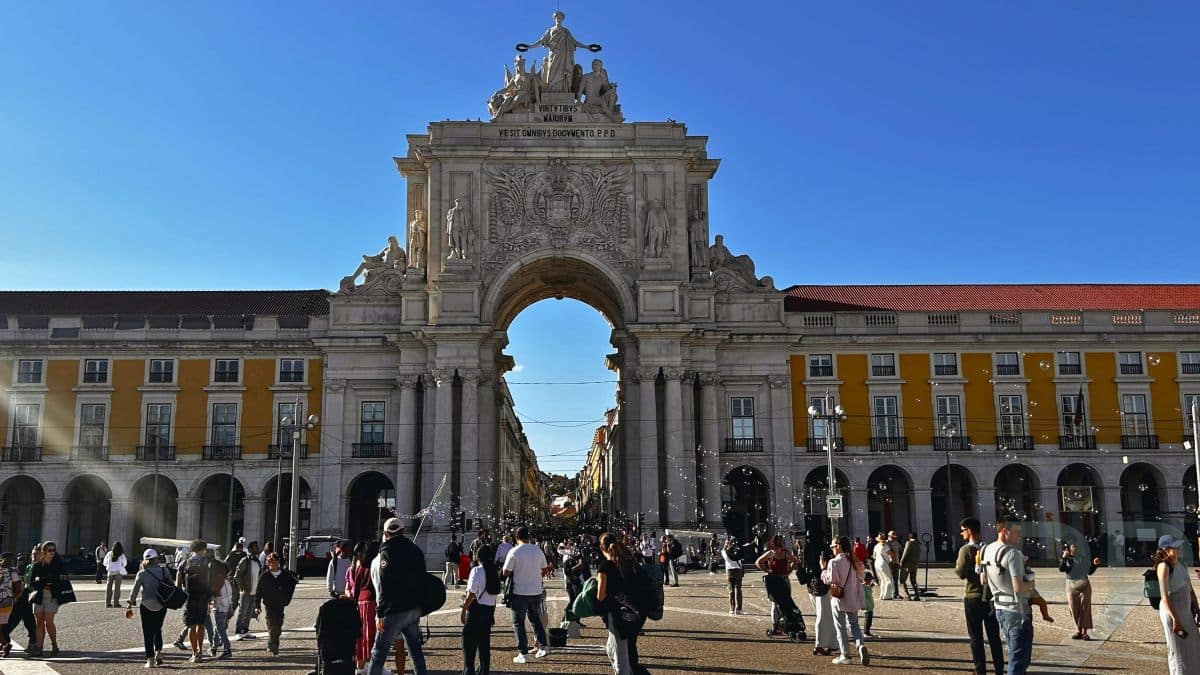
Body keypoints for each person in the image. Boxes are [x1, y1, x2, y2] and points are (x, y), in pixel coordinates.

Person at [368, 517, 428, 675]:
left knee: (379, 654)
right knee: (416, 652)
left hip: (391, 611)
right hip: (412, 609)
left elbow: (383, 587)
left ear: (386, 533)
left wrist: (380, 613)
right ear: (402, 531)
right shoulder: (416, 550)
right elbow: (423, 580)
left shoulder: (382, 556)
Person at [980, 518, 1032, 675]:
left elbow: (983, 580)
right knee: (1019, 660)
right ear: (1004, 531)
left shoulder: (985, 549)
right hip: (1017, 609)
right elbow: (1019, 588)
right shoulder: (1013, 553)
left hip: (999, 607)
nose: (1019, 536)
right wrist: (1031, 579)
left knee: (1015, 654)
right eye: (1016, 532)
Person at [957, 517, 1005, 675]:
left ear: (969, 531)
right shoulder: (990, 548)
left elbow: (961, 573)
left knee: (976, 637)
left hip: (972, 596)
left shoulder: (966, 550)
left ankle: (980, 670)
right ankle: (999, 669)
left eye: (963, 530)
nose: (961, 533)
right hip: (989, 596)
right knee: (994, 636)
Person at [596, 532, 646, 675]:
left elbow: (600, 596)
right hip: (635, 613)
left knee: (620, 660)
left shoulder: (606, 566)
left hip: (618, 614)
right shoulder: (630, 561)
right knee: (612, 648)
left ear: (602, 548)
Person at [503, 526, 552, 664]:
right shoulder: (537, 550)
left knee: (518, 622)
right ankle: (543, 646)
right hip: (536, 590)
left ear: (516, 538)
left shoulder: (514, 551)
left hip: (520, 591)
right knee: (535, 619)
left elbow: (506, 572)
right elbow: (545, 568)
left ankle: (523, 652)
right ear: (528, 537)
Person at [1155, 535, 1200, 674]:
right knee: (1178, 651)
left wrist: (1197, 610)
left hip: (1186, 612)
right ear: (1165, 549)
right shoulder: (1163, 566)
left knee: (1193, 647)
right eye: (1175, 546)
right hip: (1172, 612)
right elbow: (1164, 597)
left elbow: (1190, 589)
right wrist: (1175, 619)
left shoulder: (1181, 563)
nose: (1179, 548)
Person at [822, 536, 869, 666]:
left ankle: (845, 654)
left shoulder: (834, 562)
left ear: (838, 546)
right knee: (854, 624)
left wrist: (823, 570)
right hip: (853, 597)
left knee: (840, 627)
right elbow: (861, 577)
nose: (831, 549)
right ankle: (860, 645)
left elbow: (831, 580)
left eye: (832, 546)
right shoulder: (854, 560)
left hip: (839, 598)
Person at [126, 549, 172, 668]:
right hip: (162, 604)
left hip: (146, 604)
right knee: (158, 629)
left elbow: (135, 591)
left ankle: (150, 659)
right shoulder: (164, 570)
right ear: (156, 559)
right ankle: (159, 652)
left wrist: (130, 605)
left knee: (148, 633)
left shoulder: (142, 573)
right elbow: (171, 585)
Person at [461, 543, 501, 675]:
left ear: (478, 556)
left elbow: (471, 594)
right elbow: (493, 596)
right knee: (484, 643)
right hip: (488, 610)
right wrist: (493, 614)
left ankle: (469, 670)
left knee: (469, 642)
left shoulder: (477, 571)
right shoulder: (493, 572)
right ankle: (484, 670)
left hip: (476, 610)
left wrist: (463, 609)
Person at [175, 540, 215, 663]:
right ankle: (201, 650)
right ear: (203, 549)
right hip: (203, 598)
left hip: (190, 598)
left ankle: (194, 653)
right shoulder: (207, 562)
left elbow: (178, 583)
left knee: (191, 626)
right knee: (201, 625)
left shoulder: (185, 563)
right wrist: (211, 597)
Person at [255, 552, 299, 657]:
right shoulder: (265, 576)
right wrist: (257, 605)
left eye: (274, 562)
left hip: (280, 604)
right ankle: (273, 645)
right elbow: (258, 591)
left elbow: (292, 583)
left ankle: (274, 643)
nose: (272, 564)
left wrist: (294, 581)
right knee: (271, 623)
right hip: (269, 604)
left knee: (278, 624)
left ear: (278, 563)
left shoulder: (285, 575)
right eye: (270, 562)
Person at [756, 535, 798, 635]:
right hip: (775, 580)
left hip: (783, 579)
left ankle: (784, 625)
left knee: (785, 603)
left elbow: (795, 561)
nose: (783, 543)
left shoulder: (784, 553)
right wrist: (767, 570)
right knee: (776, 604)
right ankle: (776, 625)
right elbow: (758, 562)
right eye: (782, 542)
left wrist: (790, 570)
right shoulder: (772, 553)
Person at [345, 541, 378, 672]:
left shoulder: (360, 567)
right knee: (372, 636)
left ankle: (360, 666)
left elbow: (355, 589)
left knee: (361, 636)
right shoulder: (375, 567)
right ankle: (372, 666)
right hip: (372, 603)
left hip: (360, 603)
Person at [29, 540, 65, 657]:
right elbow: (32, 582)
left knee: (49, 622)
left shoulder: (58, 565)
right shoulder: (37, 566)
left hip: (51, 597)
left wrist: (52, 586)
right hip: (39, 595)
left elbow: (62, 581)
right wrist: (42, 584)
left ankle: (54, 644)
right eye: (50, 550)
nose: (52, 552)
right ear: (44, 552)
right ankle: (39, 647)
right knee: (39, 622)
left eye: (54, 550)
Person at [1059, 542, 1101, 640]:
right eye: (1074, 546)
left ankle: (1085, 632)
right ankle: (1078, 630)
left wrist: (1095, 565)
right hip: (1071, 584)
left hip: (1084, 584)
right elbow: (1061, 569)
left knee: (1085, 607)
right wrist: (1064, 558)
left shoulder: (1083, 557)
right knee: (1074, 608)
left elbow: (1089, 571)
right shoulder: (1066, 558)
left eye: (1077, 546)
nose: (1076, 548)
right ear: (1069, 548)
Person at [803, 543, 839, 657]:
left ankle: (830, 643)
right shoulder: (823, 549)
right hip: (823, 585)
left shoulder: (807, 548)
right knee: (825, 615)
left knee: (823, 615)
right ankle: (820, 644)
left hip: (812, 586)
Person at [6, 550, 36, 654]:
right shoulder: (10, 571)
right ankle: (5, 641)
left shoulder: (15, 572)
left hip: (21, 599)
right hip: (14, 600)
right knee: (11, 621)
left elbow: (22, 586)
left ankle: (33, 642)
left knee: (26, 619)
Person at [233, 541, 262, 639]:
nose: (257, 549)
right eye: (255, 547)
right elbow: (237, 576)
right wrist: (242, 587)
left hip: (254, 591)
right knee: (242, 612)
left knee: (249, 612)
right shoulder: (245, 560)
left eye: (257, 547)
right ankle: (238, 632)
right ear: (250, 549)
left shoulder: (257, 562)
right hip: (246, 591)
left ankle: (245, 631)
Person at [209, 560, 233, 659]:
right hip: (225, 606)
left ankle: (227, 649)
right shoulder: (225, 579)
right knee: (218, 627)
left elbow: (215, 593)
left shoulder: (218, 579)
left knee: (220, 629)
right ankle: (213, 647)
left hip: (219, 606)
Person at [0, 552, 21, 658]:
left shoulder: (13, 572)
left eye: (11, 560)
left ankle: (5, 645)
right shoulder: (12, 571)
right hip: (7, 601)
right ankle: (4, 644)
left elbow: (19, 588)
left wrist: (14, 599)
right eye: (7, 559)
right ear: (1, 559)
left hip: (5, 603)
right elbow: (18, 589)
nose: (9, 562)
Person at [721, 537, 743, 615]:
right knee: (738, 589)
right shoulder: (738, 552)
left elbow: (722, 550)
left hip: (729, 572)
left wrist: (725, 545)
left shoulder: (725, 553)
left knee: (731, 590)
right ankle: (738, 609)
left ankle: (732, 608)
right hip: (738, 571)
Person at [103, 541, 128, 608]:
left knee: (109, 588)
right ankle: (116, 603)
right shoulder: (121, 555)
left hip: (110, 572)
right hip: (118, 572)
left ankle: (107, 603)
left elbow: (104, 563)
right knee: (117, 588)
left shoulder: (109, 553)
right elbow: (125, 563)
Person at [871, 533, 895, 602]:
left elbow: (874, 556)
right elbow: (891, 555)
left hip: (877, 563)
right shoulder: (885, 546)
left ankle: (882, 595)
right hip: (883, 563)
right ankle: (887, 595)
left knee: (882, 579)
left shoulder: (876, 546)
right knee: (888, 579)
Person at [899, 533, 921, 601]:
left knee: (902, 580)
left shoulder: (909, 543)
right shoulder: (918, 544)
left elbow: (905, 553)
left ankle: (907, 595)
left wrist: (901, 561)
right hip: (915, 564)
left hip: (907, 564)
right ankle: (917, 595)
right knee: (913, 581)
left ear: (909, 537)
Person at [886, 531, 903, 599]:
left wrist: (900, 561)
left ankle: (896, 593)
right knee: (889, 579)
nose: (893, 538)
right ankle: (890, 593)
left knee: (895, 578)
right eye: (892, 537)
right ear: (889, 536)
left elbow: (901, 551)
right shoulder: (885, 543)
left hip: (896, 563)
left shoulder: (897, 543)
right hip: (888, 563)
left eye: (894, 537)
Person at [862, 572, 876, 637]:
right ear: (866, 579)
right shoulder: (863, 586)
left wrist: (871, 586)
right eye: (869, 580)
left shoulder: (865, 586)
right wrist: (871, 586)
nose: (870, 581)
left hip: (869, 606)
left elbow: (869, 590)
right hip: (867, 606)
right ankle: (866, 632)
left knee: (869, 620)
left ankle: (867, 632)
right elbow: (868, 592)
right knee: (868, 620)